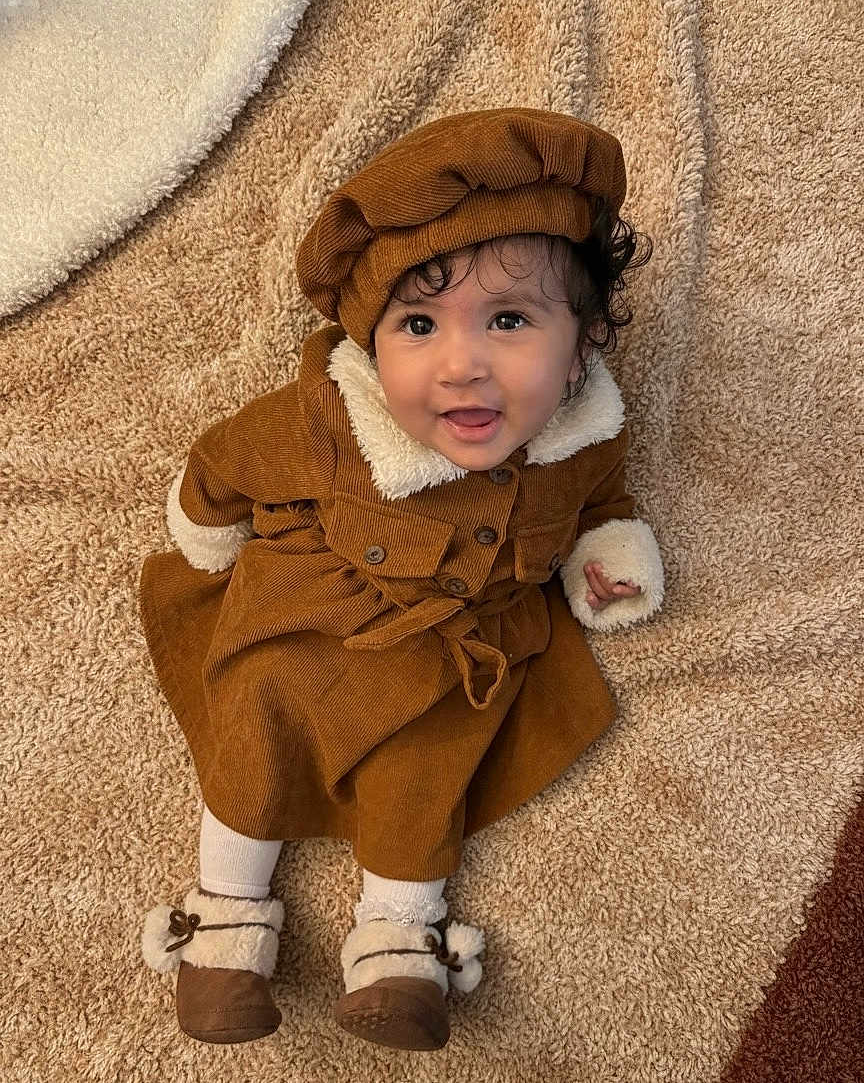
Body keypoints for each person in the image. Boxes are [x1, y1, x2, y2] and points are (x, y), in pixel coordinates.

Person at [139, 107, 664, 1052]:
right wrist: (207, 531)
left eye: (509, 320)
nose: (463, 366)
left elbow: (599, 499)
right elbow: (224, 461)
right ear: (373, 351)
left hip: (460, 648)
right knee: (254, 728)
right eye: (418, 324)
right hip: (313, 612)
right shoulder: (331, 418)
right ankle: (221, 920)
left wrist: (603, 560)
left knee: (428, 777)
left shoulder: (587, 431)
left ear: (583, 342)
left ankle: (399, 944)